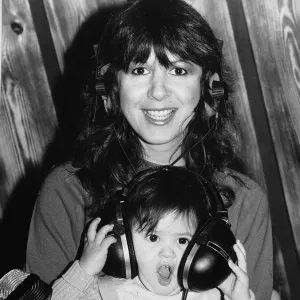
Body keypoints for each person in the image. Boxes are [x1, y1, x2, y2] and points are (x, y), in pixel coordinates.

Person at [25, 0, 273, 299]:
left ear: (209, 88)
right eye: (140, 69)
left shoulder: (245, 202)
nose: (158, 91)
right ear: (110, 89)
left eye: (179, 70)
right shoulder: (67, 192)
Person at [51, 166, 255, 300]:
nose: (167, 253)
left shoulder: (212, 296)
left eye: (182, 240)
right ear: (124, 243)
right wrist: (84, 271)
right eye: (153, 237)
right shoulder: (102, 293)